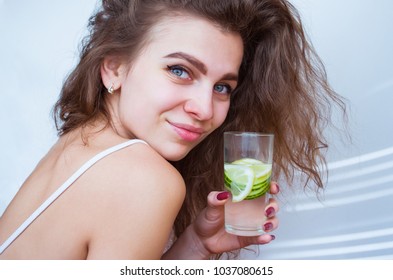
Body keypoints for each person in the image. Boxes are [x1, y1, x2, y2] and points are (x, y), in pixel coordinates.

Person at [0, 0, 345, 259]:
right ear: (114, 69)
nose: (205, 109)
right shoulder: (145, 179)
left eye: (222, 87)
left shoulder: (83, 141)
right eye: (180, 71)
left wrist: (197, 243)